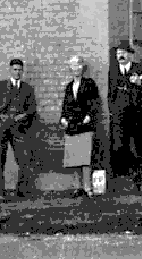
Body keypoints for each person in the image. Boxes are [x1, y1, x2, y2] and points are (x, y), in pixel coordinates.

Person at [108, 39, 142, 195]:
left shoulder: (141, 68)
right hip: (121, 118)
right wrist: (113, 113)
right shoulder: (113, 71)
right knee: (120, 148)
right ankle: (134, 173)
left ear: (130, 54)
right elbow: (111, 95)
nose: (120, 56)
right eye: (118, 53)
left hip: (139, 117)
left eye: (123, 53)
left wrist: (140, 81)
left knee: (141, 150)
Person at [0, 58, 37, 199]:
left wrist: (23, 116)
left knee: (23, 159)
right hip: (3, 128)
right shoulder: (1, 86)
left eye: (19, 70)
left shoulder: (27, 88)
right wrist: (1, 116)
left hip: (19, 129)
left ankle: (21, 191)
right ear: (10, 70)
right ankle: (0, 192)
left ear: (22, 71)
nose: (17, 72)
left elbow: (32, 109)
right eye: (15, 69)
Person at [60, 55, 101, 198]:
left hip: (85, 126)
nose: (76, 68)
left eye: (78, 65)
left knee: (85, 159)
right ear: (70, 68)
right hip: (72, 126)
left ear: (82, 67)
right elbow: (65, 105)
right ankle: (77, 187)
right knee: (74, 159)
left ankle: (87, 187)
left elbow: (95, 102)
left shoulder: (90, 83)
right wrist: (63, 118)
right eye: (73, 65)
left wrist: (89, 115)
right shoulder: (69, 86)